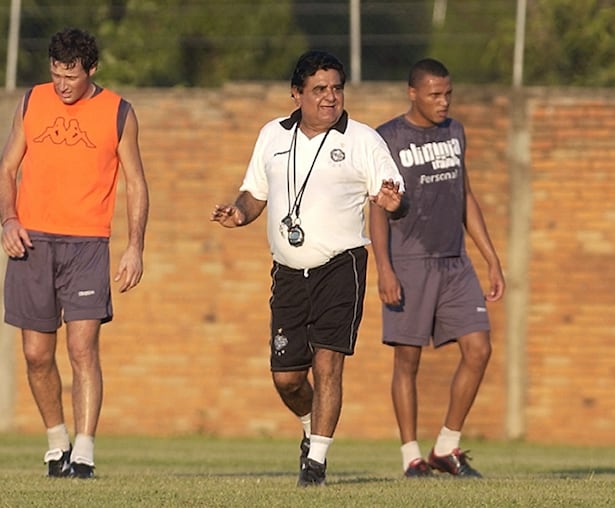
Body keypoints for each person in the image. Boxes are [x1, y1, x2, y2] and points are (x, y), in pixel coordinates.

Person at [211, 50, 406, 487]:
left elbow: (393, 194)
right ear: (296, 95)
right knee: (287, 379)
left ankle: (315, 464)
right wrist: (239, 213)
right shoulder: (272, 135)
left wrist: (394, 202)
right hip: (287, 271)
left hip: (341, 265)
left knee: (328, 363)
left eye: (336, 88)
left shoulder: (362, 139)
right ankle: (309, 428)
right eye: (319, 89)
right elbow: (254, 194)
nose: (330, 97)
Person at [0, 27, 149, 479]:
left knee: (82, 349)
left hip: (87, 245)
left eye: (71, 77)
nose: (62, 85)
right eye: (56, 74)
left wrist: (134, 247)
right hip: (32, 242)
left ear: (91, 70)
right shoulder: (31, 102)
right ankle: (57, 442)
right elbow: (5, 170)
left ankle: (83, 453)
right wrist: (9, 220)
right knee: (36, 354)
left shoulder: (119, 112)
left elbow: (136, 184)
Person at [371, 58, 505, 478]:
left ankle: (447, 447)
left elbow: (466, 196)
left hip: (455, 262)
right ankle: (411, 456)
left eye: (448, 94)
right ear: (413, 93)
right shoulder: (387, 138)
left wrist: (491, 258)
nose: (443, 102)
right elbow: (377, 209)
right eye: (434, 95)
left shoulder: (455, 132)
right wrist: (385, 269)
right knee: (407, 361)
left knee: (479, 348)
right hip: (409, 262)